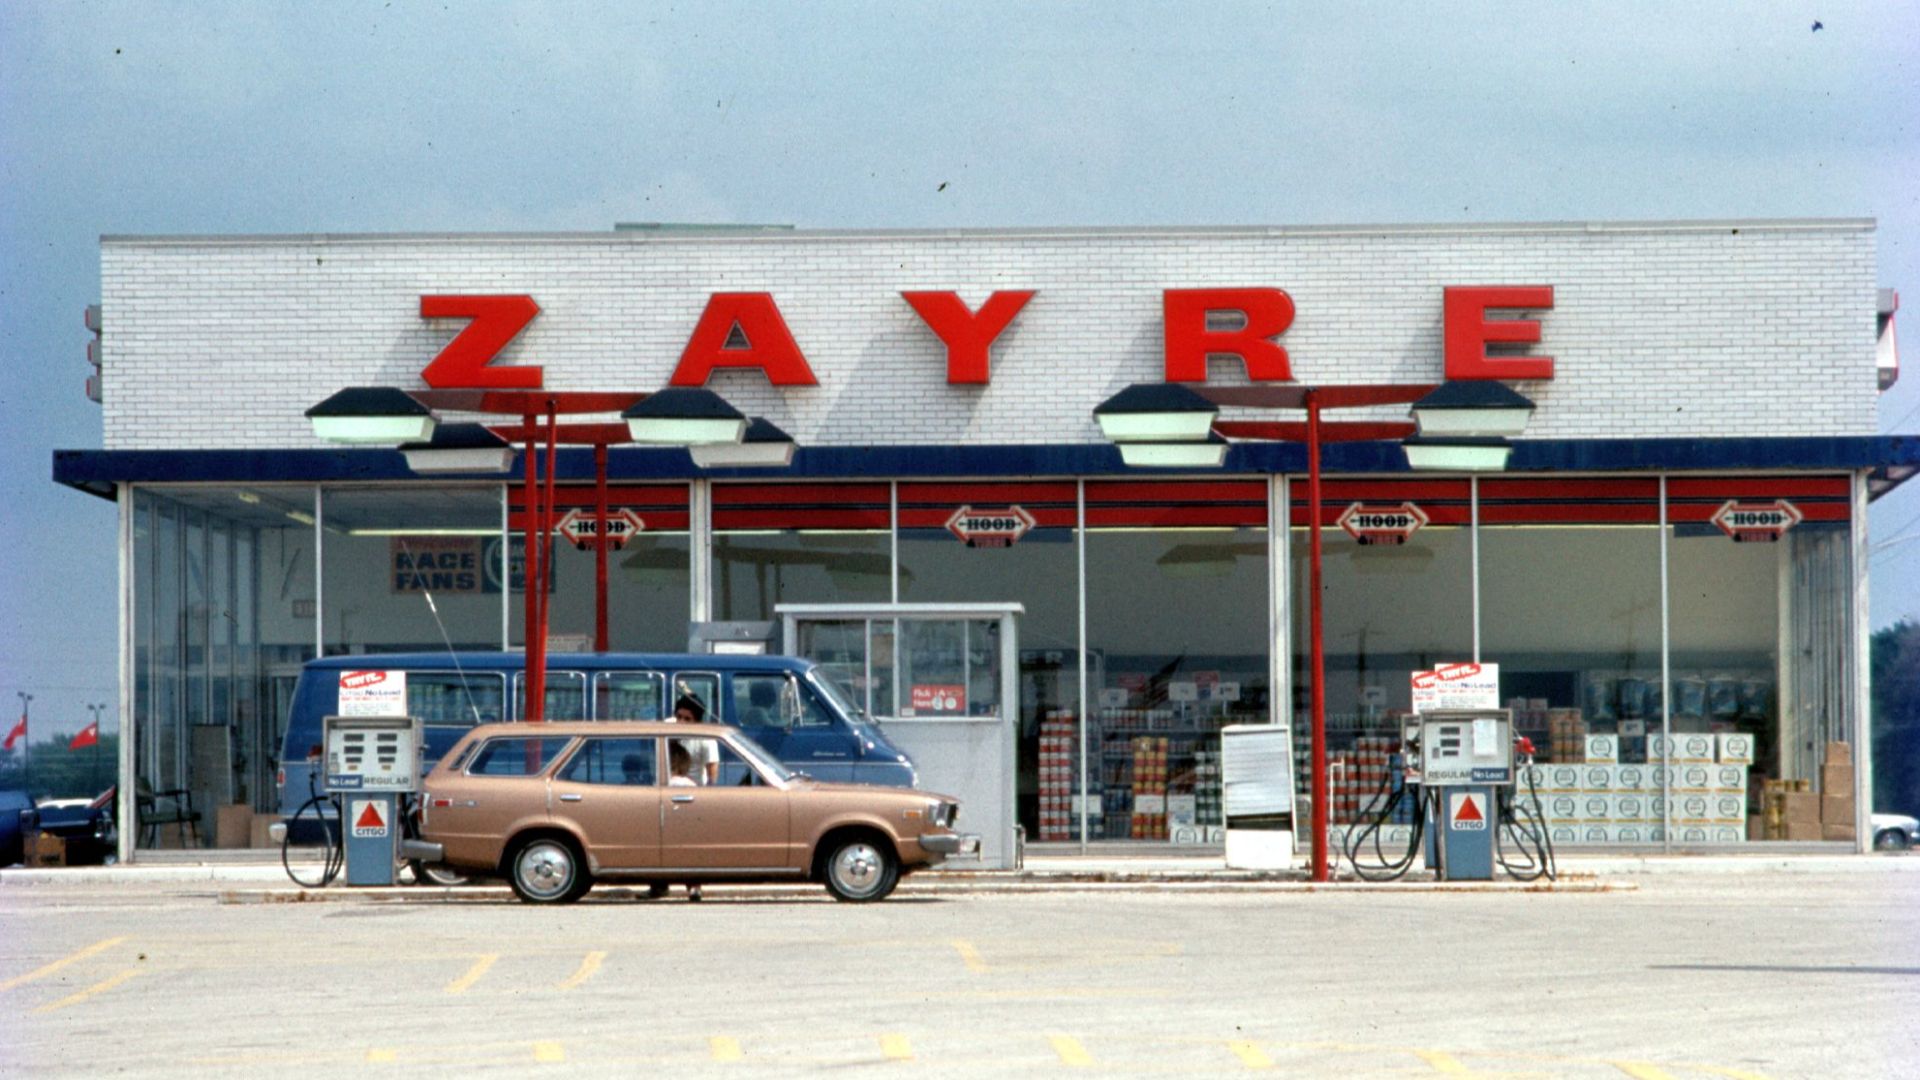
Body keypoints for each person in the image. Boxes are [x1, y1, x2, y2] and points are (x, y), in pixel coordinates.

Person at [666, 741, 703, 902]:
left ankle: (658, 885)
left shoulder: (665, 782)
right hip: (687, 829)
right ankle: (694, 888)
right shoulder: (691, 784)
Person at [669, 694, 721, 785]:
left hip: (693, 791)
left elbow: (712, 773)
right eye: (679, 717)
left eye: (687, 719)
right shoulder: (666, 729)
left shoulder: (706, 738)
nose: (681, 722)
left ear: (697, 722)